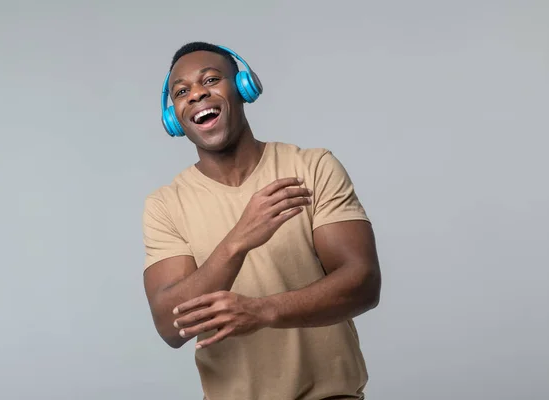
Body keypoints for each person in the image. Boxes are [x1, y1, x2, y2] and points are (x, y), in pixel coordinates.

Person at [142, 41, 382, 400]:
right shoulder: (165, 204)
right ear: (173, 116)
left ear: (242, 86)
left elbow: (363, 282)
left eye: (210, 79)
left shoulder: (312, 167)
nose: (195, 95)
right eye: (181, 91)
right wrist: (237, 241)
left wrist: (263, 310)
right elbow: (170, 325)